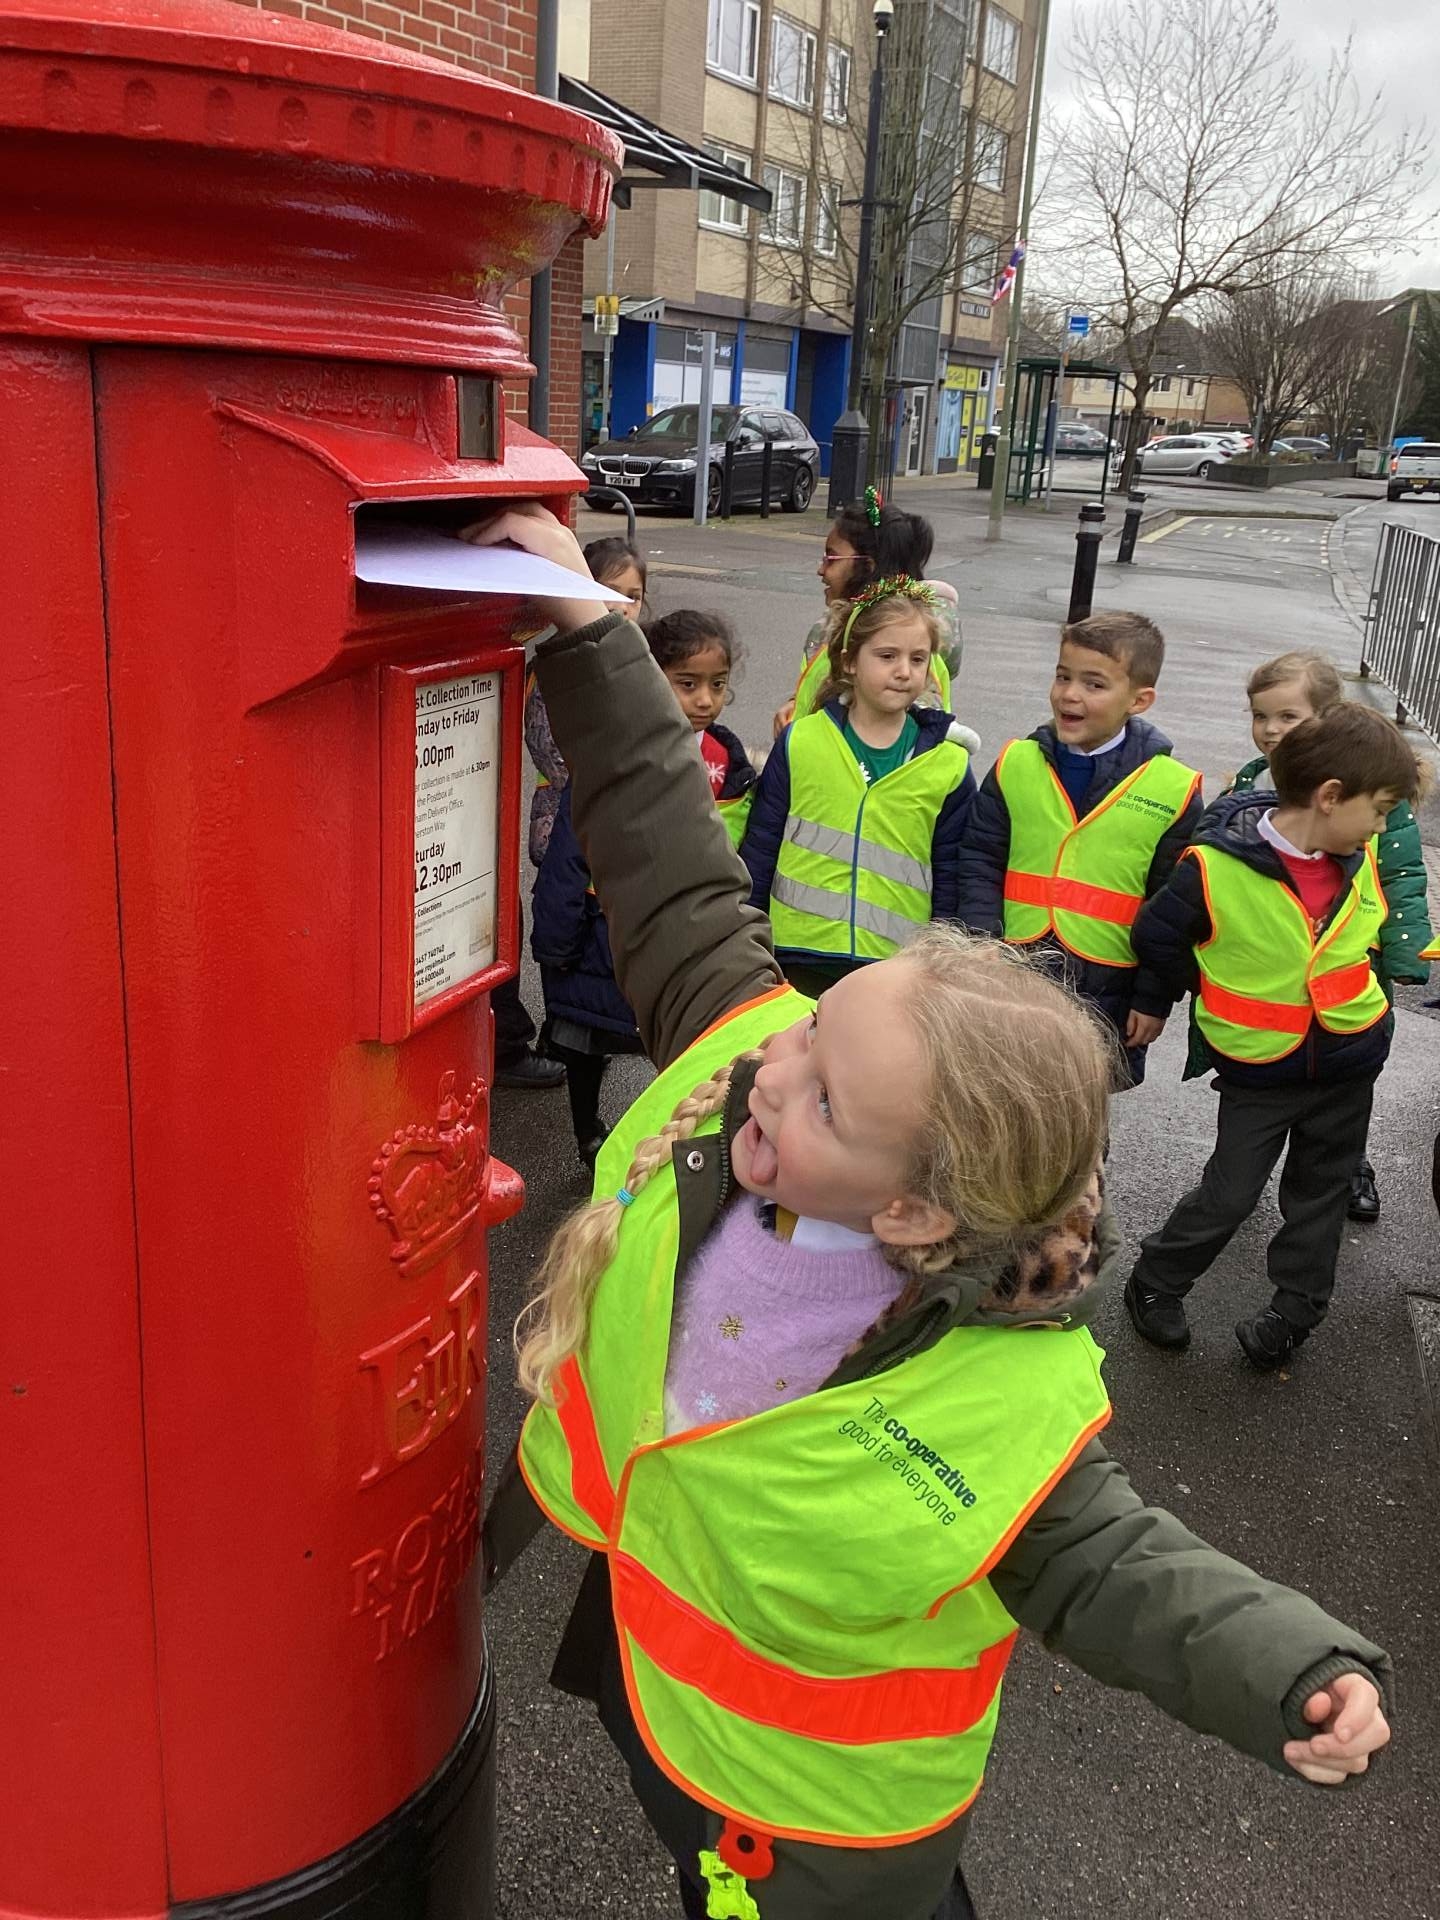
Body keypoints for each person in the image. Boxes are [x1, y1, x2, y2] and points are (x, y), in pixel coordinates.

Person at [472, 504, 1391, 1920]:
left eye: (825, 1096)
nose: (765, 1074)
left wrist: (1293, 1671)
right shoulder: (756, 1075)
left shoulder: (995, 1407)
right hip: (663, 1695)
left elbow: (1109, 1564)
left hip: (822, 1830)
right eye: (809, 1030)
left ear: (911, 1214)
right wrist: (589, 632)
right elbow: (669, 866)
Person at [1124, 703, 1422, 1370]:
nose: (1381, 827)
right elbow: (1157, 936)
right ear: (1329, 796)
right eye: (1378, 810)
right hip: (1260, 1072)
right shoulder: (1213, 866)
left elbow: (1363, 944)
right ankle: (1157, 1281)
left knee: (1321, 1199)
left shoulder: (1357, 859)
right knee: (1230, 1194)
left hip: (1348, 1065)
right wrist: (1195, 988)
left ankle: (1295, 1313)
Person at [532, 609, 755, 1171]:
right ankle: (588, 1130)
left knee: (672, 1048)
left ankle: (667, 1136)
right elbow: (569, 854)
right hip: (602, 930)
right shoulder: (617, 757)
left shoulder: (729, 764)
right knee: (587, 1042)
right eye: (687, 684)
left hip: (683, 931)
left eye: (717, 685)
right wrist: (555, 939)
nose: (705, 700)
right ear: (650, 679)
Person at [1219, 651, 1432, 1223]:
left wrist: (1406, 948)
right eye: (1260, 716)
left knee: (1348, 1071)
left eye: (1288, 717)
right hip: (1268, 968)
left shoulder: (1373, 794)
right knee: (1265, 1067)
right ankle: (1242, 1165)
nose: (1271, 730)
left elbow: (1402, 873)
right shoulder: (1250, 782)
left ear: (1327, 722)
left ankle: (1349, 1161)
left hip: (1351, 963)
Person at [955, 610, 1202, 1086]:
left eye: (1094, 684)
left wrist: (1152, 998)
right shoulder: (1016, 763)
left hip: (1108, 984)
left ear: (1139, 700)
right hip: (1012, 967)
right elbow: (981, 858)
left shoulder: (1173, 788)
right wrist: (980, 941)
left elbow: (1172, 908)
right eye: (1063, 676)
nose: (1070, 694)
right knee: (999, 1089)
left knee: (1081, 1097)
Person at [741, 577, 975, 1000]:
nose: (904, 671)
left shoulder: (948, 765)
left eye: (918, 659)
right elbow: (761, 845)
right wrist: (747, 940)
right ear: (849, 662)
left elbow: (951, 874)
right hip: (796, 957)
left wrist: (942, 962)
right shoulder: (802, 742)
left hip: (894, 967)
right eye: (887, 656)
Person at [772, 488, 962, 736]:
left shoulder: (901, 642)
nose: (821, 570)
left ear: (868, 566)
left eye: (831, 558)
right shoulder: (834, 629)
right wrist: (797, 704)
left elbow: (912, 733)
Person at [525, 535, 647, 866]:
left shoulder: (641, 661)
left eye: (633, 597)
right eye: (609, 592)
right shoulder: (555, 665)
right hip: (564, 819)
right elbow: (546, 746)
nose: (621, 607)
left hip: (620, 818)